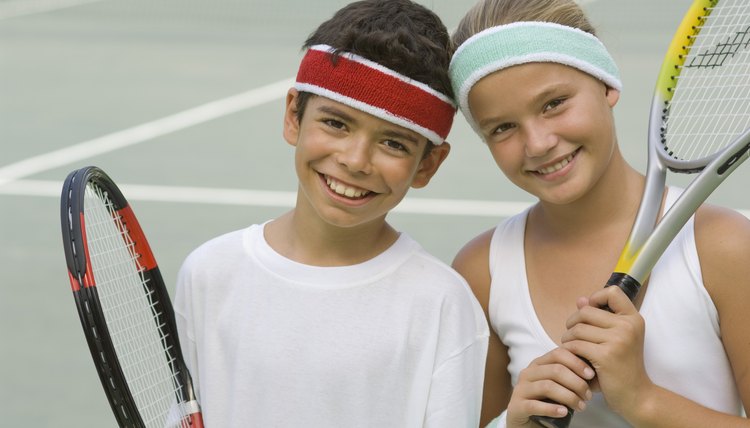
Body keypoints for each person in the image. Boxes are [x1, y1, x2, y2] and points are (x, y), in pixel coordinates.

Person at [173, 0, 489, 426]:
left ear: (428, 165)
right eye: (336, 123)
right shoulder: (210, 272)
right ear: (293, 116)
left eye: (394, 143)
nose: (356, 160)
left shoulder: (442, 305)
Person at [448, 0, 750, 427]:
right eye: (502, 127)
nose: (537, 143)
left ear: (607, 85)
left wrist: (643, 400)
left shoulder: (723, 246)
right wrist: (512, 423)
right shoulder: (482, 271)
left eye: (554, 103)